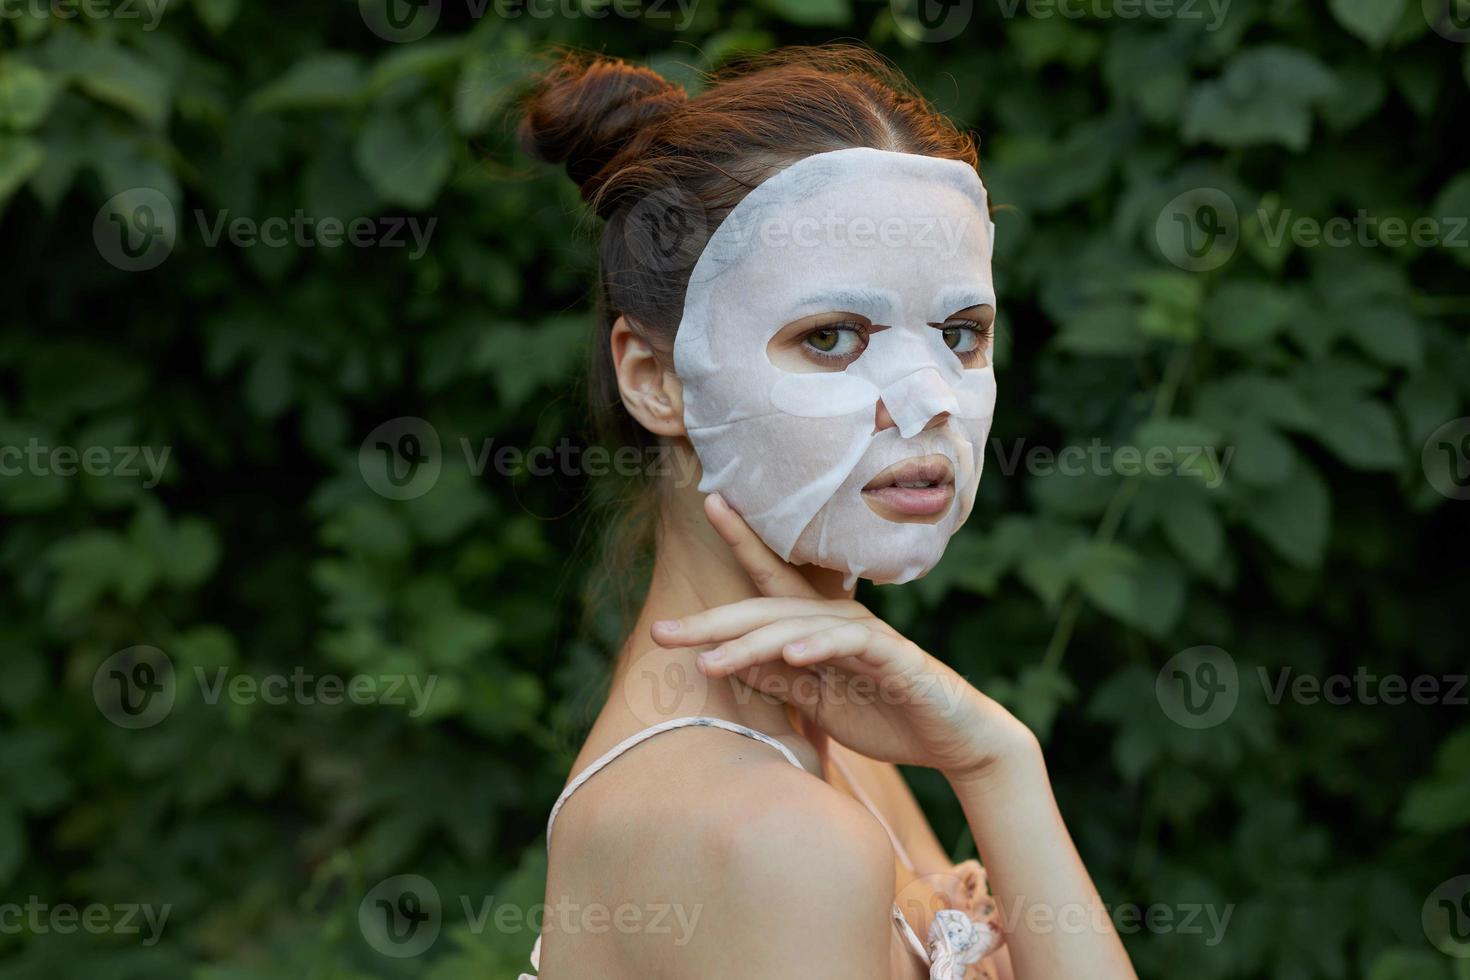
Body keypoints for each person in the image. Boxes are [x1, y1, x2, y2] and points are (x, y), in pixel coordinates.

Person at [514, 45, 1137, 980]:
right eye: (832, 337)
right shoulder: (772, 838)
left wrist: (996, 760)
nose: (927, 398)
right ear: (656, 380)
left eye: (961, 334)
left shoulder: (833, 732)